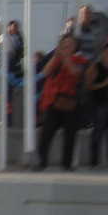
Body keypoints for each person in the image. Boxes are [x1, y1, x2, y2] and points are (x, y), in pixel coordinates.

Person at [35, 34, 87, 171]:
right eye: (64, 44)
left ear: (75, 46)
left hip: (70, 101)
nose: (67, 47)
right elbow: (45, 72)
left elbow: (75, 72)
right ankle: (41, 162)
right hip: (54, 101)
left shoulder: (80, 59)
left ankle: (67, 164)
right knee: (46, 133)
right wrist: (56, 56)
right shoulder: (56, 58)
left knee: (70, 135)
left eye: (70, 44)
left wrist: (65, 57)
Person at [85, 36, 108, 169]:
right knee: (98, 133)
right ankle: (94, 161)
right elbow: (89, 86)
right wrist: (104, 83)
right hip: (100, 104)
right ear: (104, 53)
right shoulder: (96, 67)